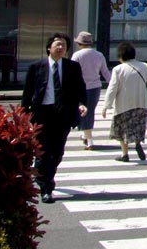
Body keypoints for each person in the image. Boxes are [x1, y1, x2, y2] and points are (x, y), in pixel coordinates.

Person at [21, 32, 88, 203]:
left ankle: (43, 175)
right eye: (57, 44)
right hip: (42, 114)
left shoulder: (72, 67)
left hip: (63, 115)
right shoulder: (36, 67)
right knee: (44, 152)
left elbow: (80, 88)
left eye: (64, 45)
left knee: (57, 153)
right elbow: (27, 93)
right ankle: (46, 188)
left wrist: (82, 104)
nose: (61, 48)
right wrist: (23, 115)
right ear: (49, 47)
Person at [103, 41, 147, 162]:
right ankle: (137, 142)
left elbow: (112, 88)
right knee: (138, 125)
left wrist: (107, 105)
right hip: (141, 103)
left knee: (122, 130)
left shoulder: (118, 69)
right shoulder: (144, 66)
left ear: (120, 56)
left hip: (124, 105)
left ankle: (125, 154)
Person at [71, 30, 110, 150]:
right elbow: (105, 73)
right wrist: (113, 84)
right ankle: (85, 135)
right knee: (90, 111)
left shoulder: (77, 55)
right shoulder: (99, 55)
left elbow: (72, 73)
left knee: (83, 112)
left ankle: (90, 141)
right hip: (95, 87)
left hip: (80, 87)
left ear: (79, 43)